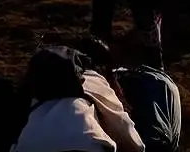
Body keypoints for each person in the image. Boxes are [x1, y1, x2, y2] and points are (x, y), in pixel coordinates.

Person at [12, 45, 143, 152]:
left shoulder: (35, 92)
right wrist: (137, 146)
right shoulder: (92, 80)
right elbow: (119, 122)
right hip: (85, 145)